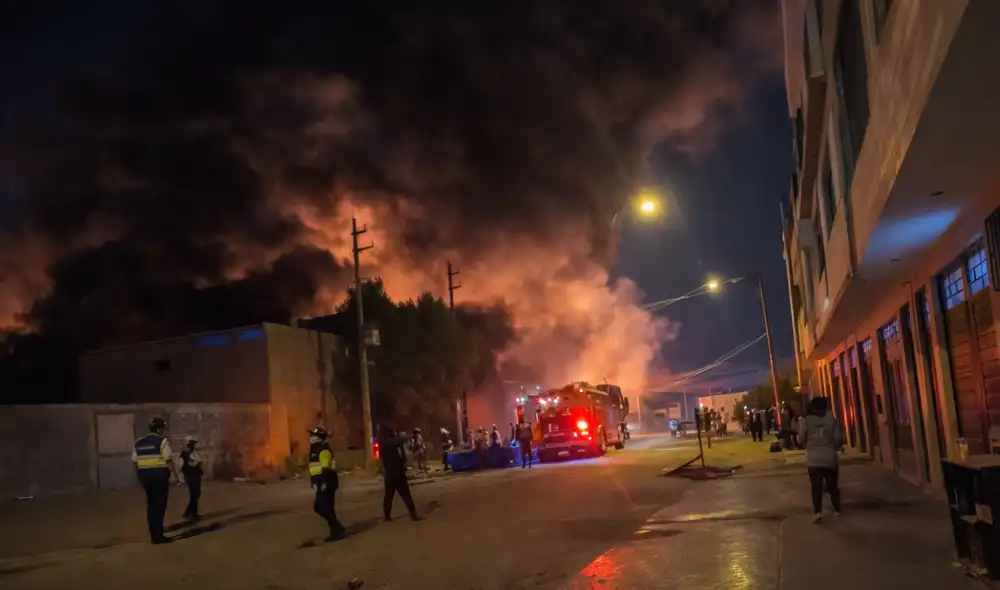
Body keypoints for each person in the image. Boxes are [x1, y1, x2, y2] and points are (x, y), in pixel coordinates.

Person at [132, 417, 177, 544]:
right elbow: (168, 459)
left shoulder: (139, 442)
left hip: (145, 476)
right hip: (159, 476)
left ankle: (153, 532)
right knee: (159, 505)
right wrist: (175, 475)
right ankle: (158, 535)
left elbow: (135, 461)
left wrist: (139, 476)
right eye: (162, 428)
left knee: (151, 505)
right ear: (159, 429)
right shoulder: (162, 441)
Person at [799, 397, 844, 523]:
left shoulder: (806, 420)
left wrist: (806, 444)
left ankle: (818, 512)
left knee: (816, 487)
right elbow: (838, 439)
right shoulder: (831, 419)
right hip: (829, 457)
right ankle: (837, 509)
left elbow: (801, 438)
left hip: (813, 459)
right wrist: (834, 447)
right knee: (832, 485)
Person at [308, 426, 346, 541]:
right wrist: (313, 482)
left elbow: (326, 469)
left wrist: (323, 483)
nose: (311, 438)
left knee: (319, 507)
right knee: (328, 508)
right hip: (322, 483)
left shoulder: (323, 450)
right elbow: (313, 467)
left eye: (314, 436)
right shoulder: (315, 449)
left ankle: (338, 528)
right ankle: (336, 532)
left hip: (327, 483)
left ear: (319, 438)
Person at [379, 425, 421, 522]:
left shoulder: (383, 445)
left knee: (389, 496)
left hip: (390, 474)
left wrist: (383, 470)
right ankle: (413, 514)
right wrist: (411, 436)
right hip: (397, 473)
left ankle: (387, 515)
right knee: (405, 494)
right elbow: (400, 442)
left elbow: (381, 460)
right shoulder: (393, 443)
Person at [179, 436, 203, 521]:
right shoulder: (185, 454)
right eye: (191, 443)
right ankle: (192, 514)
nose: (192, 445)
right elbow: (183, 465)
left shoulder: (191, 453)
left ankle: (189, 513)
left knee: (195, 494)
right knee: (195, 494)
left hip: (193, 475)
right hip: (191, 475)